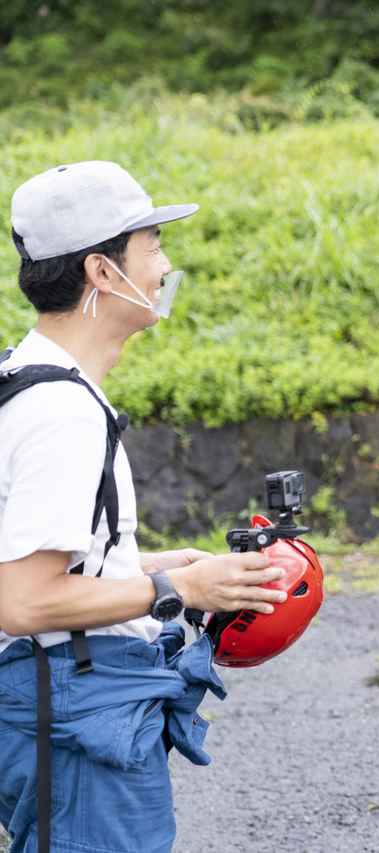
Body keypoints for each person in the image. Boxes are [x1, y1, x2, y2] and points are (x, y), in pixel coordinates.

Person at [0, 161, 287, 853]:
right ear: (102, 271)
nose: (164, 266)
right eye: (152, 245)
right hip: (73, 698)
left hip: (63, 693)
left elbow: (37, 558)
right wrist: (178, 588)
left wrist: (157, 563)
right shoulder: (63, 412)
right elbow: (23, 600)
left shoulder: (26, 379)